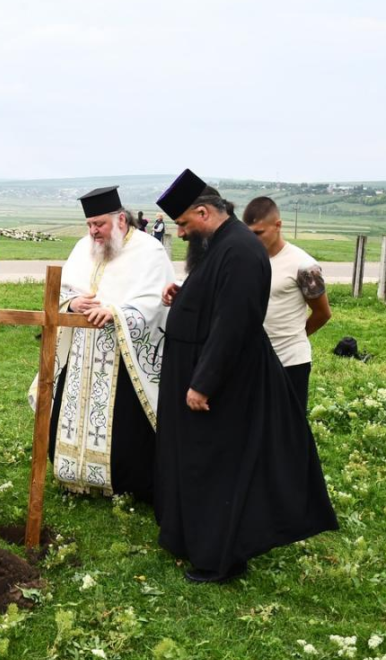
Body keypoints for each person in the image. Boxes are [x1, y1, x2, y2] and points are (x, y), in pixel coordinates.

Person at [153, 169, 338, 583]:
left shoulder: (238, 250)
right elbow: (217, 298)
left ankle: (221, 558)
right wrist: (186, 295)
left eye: (183, 223)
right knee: (197, 460)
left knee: (216, 465)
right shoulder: (222, 245)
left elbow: (235, 323)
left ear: (203, 212)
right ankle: (194, 540)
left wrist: (203, 382)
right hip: (200, 370)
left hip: (219, 383)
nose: (180, 233)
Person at [36, 186, 173, 503]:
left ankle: (125, 483)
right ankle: (75, 475)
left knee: (125, 423)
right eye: (89, 225)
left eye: (99, 224)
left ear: (121, 219)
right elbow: (62, 290)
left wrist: (115, 312)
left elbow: (156, 302)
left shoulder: (149, 252)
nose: (93, 232)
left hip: (123, 355)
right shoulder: (83, 247)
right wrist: (72, 304)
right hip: (82, 352)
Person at [243, 197, 331, 412]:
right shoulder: (247, 259)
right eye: (249, 234)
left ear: (278, 225)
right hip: (252, 361)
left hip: (290, 362)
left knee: (289, 429)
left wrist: (294, 338)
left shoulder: (304, 266)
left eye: (259, 233)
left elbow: (322, 313)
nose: (254, 239)